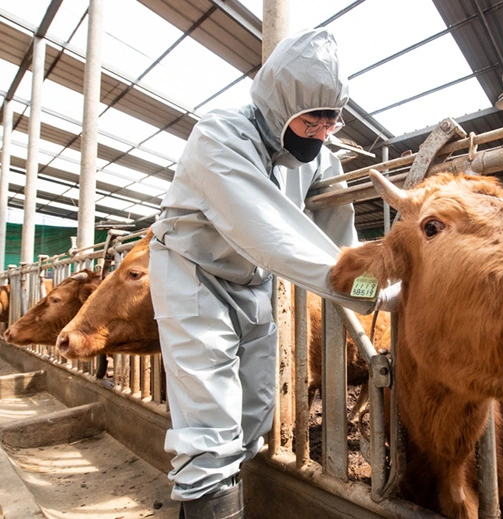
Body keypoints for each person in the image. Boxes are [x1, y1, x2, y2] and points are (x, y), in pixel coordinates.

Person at [148, 28, 400, 518]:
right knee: (210, 425)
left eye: (333, 119)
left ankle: (208, 499)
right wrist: (376, 297)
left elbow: (338, 248)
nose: (324, 131)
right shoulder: (218, 137)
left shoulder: (322, 158)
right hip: (194, 277)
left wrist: (373, 286)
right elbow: (272, 233)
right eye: (313, 119)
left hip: (252, 284)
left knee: (255, 411)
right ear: (280, 104)